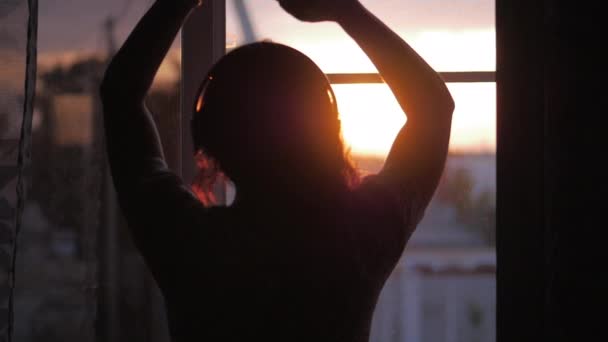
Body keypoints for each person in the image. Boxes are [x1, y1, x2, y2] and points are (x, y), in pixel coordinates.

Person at [100, 0, 454, 340]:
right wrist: (345, 9)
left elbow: (120, 95)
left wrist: (178, 3)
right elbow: (433, 109)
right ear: (327, 131)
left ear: (212, 146)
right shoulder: (359, 237)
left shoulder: (189, 245)